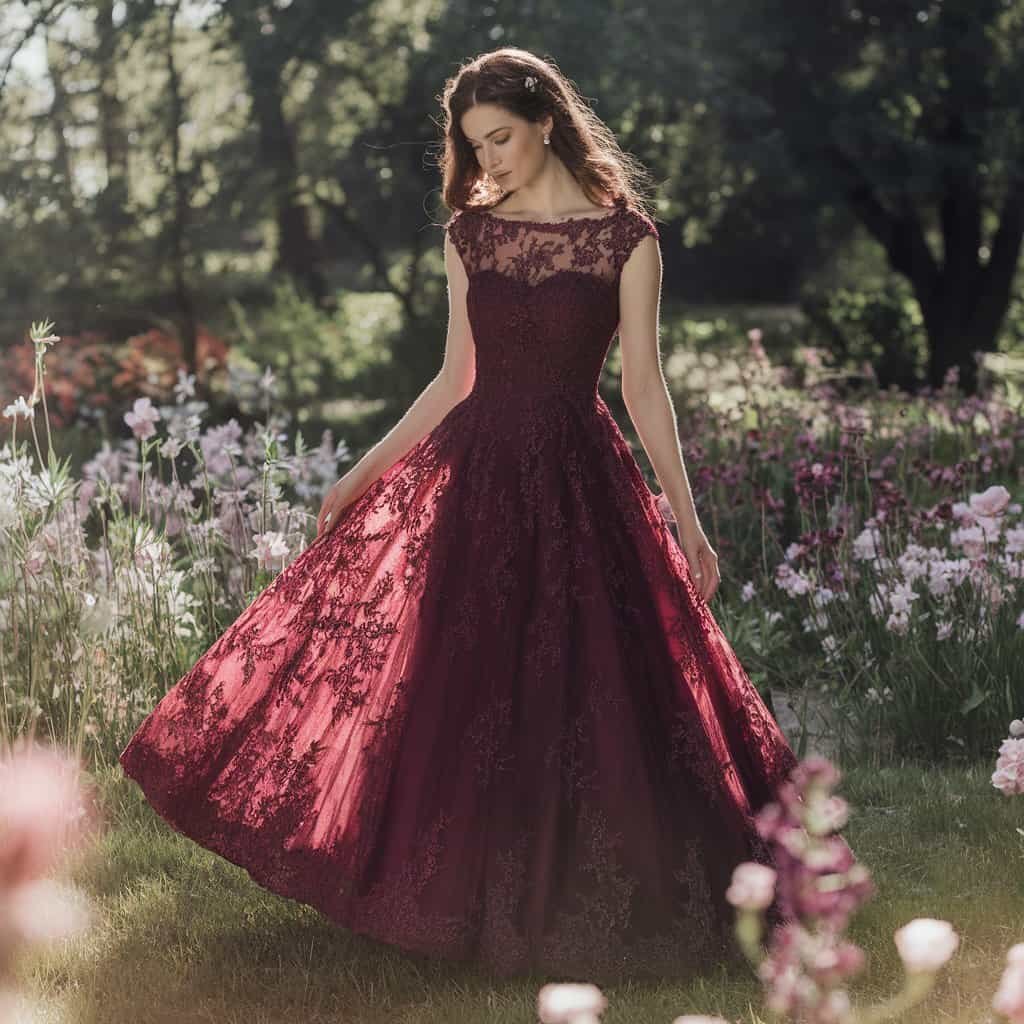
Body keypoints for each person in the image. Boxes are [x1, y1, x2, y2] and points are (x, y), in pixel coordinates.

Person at [119, 46, 800, 984]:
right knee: (463, 683)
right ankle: (448, 899)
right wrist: (356, 476)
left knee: (589, 685)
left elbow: (645, 388)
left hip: (580, 477)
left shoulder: (626, 239)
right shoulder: (471, 235)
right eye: (476, 147)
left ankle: (589, 895)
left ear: (546, 122)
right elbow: (453, 379)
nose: (489, 163)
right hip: (474, 473)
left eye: (502, 140)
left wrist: (687, 520)